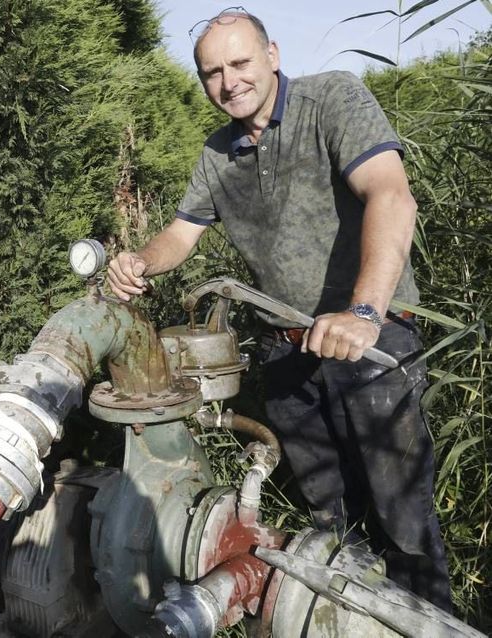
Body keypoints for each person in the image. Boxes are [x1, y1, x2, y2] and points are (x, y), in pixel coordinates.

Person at [106, 8, 451, 610]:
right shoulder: (218, 154)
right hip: (286, 352)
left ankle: (431, 620)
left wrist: (363, 313)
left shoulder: (332, 99)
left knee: (404, 518)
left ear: (272, 54)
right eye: (211, 72)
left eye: (240, 62)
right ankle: (341, 616)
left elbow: (392, 195)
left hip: (371, 343)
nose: (228, 81)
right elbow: (182, 234)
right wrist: (140, 260)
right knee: (326, 517)